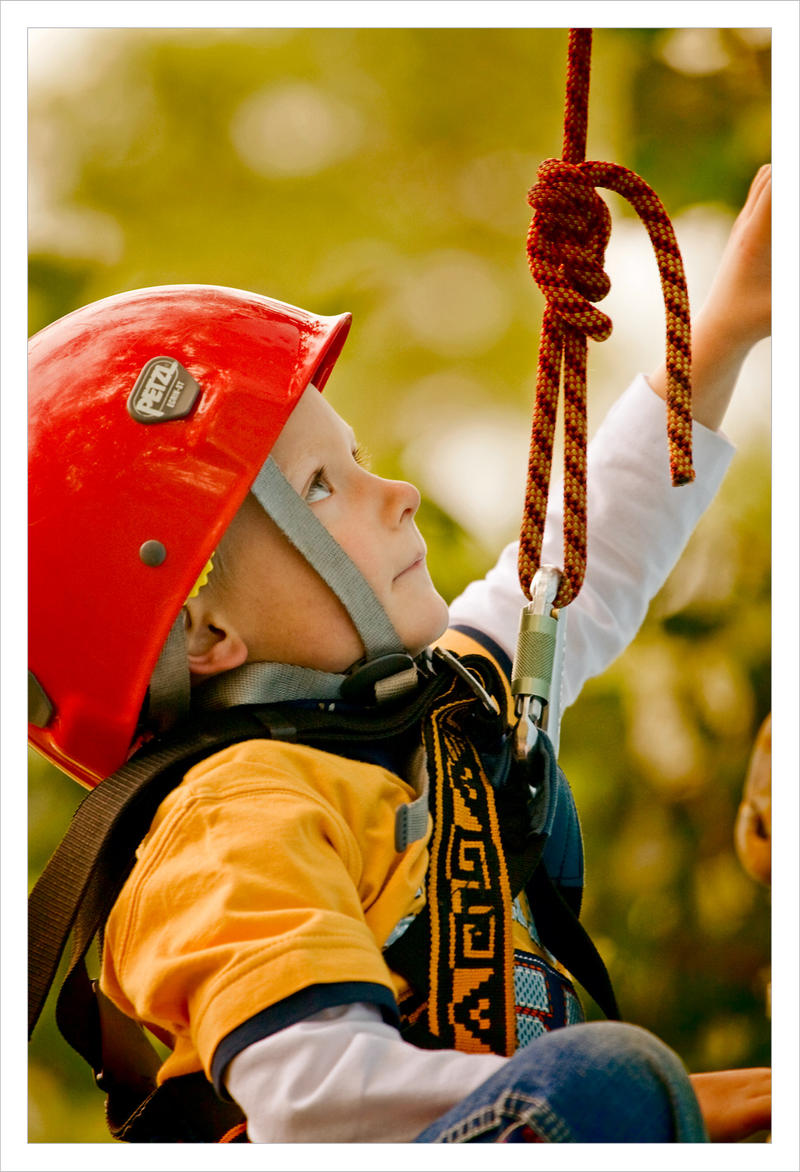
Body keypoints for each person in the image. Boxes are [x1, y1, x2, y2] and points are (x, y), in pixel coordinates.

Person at [28, 166, 772, 1144]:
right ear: (204, 632)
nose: (400, 493)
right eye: (326, 486)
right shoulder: (230, 824)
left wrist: (723, 326)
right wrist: (678, 1103)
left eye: (360, 457)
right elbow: (321, 1093)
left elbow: (572, 569)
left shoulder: (424, 725)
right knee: (606, 1078)